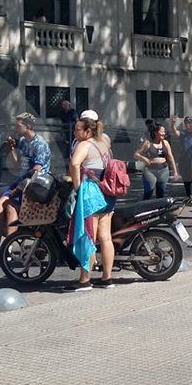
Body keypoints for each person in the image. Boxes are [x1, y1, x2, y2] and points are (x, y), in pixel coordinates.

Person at [0, 113, 52, 260]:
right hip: (21, 180)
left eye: (18, 125)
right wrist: (12, 149)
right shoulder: (22, 142)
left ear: (28, 126)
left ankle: (8, 247)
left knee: (11, 207)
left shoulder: (39, 144)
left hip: (33, 185)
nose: (15, 127)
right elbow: (17, 164)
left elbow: (36, 170)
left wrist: (18, 188)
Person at [65, 114, 116, 291]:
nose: (74, 132)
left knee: (88, 236)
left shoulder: (84, 144)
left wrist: (77, 186)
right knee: (106, 237)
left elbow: (74, 164)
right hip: (107, 192)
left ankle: (85, 279)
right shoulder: (104, 142)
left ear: (87, 131)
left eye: (77, 129)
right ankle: (107, 278)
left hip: (91, 192)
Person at [134, 122, 179, 199]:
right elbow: (136, 154)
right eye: (161, 131)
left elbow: (170, 157)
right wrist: (144, 158)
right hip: (150, 170)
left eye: (164, 132)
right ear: (155, 132)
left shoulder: (165, 143)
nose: (163, 133)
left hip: (163, 170)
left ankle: (160, 210)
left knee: (161, 193)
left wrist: (175, 172)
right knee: (149, 192)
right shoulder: (147, 143)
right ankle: (145, 208)